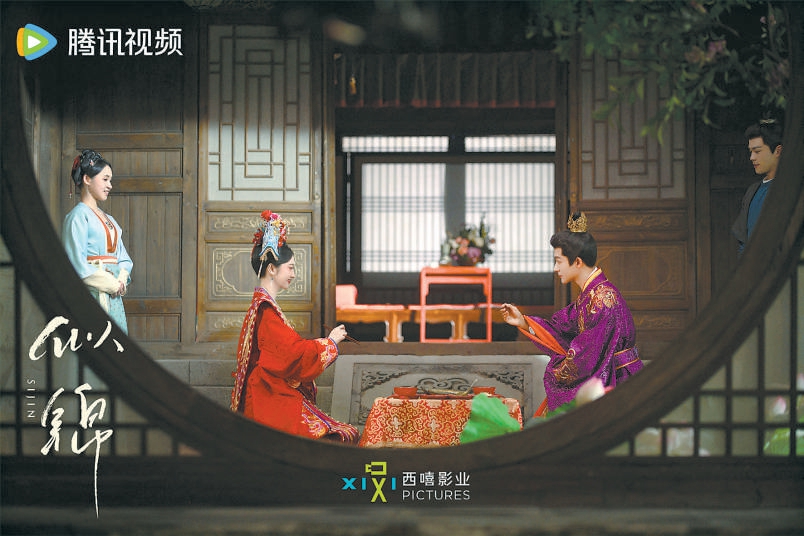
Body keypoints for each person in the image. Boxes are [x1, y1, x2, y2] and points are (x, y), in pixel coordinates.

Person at [230, 210, 359, 444]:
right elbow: (292, 354)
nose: (293, 274)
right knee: (341, 436)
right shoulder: (266, 310)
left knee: (342, 434)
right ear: (272, 269)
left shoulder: (263, 306)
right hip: (268, 397)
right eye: (290, 267)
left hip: (270, 392)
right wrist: (330, 343)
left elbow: (287, 351)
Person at [500, 212, 643, 415]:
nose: (555, 268)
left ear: (577, 262)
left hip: (619, 381)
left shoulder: (601, 300)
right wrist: (523, 321)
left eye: (559, 261)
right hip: (610, 375)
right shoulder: (590, 295)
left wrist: (557, 372)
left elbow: (585, 359)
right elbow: (562, 329)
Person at [62, 149, 133, 333]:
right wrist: (111, 284)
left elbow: (124, 258)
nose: (110, 185)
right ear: (87, 179)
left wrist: (121, 280)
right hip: (91, 294)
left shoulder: (111, 221)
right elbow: (75, 264)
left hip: (114, 295)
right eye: (105, 179)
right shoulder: (77, 217)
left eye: (110, 180)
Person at [731, 119, 783, 256]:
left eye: (757, 151)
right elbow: (743, 239)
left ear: (778, 151)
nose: (752, 157)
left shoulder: (788, 190)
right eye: (750, 151)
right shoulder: (752, 191)